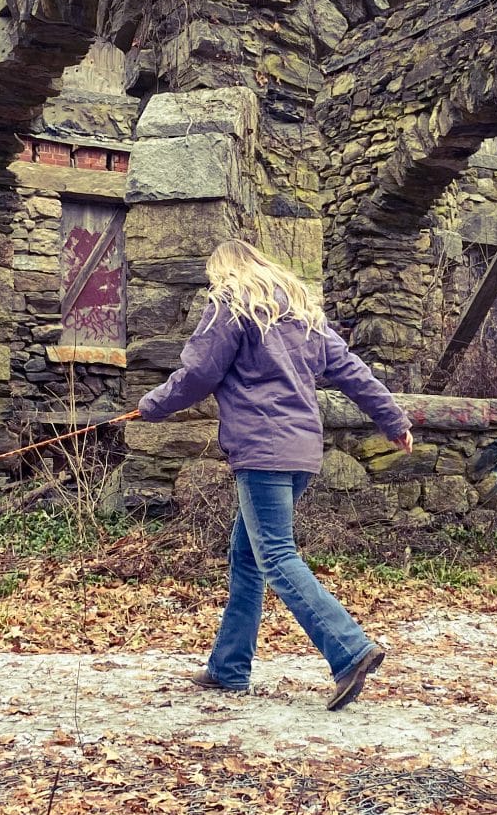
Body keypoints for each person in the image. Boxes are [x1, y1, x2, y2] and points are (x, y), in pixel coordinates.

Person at [135, 239, 413, 710]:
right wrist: (394, 420)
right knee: (247, 557)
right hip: (301, 453)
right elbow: (352, 371)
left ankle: (349, 649)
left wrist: (152, 406)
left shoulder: (230, 304)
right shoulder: (304, 315)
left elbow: (200, 372)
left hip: (262, 451)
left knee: (277, 556)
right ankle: (229, 668)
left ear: (224, 272)